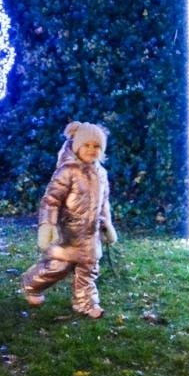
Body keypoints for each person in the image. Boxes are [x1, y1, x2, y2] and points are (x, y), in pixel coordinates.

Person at [21, 121, 118, 318]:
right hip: (68, 232)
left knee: (88, 269)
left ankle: (86, 303)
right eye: (87, 145)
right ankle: (31, 284)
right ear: (77, 146)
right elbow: (51, 199)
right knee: (58, 267)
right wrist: (47, 225)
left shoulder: (101, 173)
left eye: (97, 146)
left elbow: (104, 201)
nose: (92, 150)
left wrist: (106, 224)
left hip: (91, 233)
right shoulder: (67, 171)